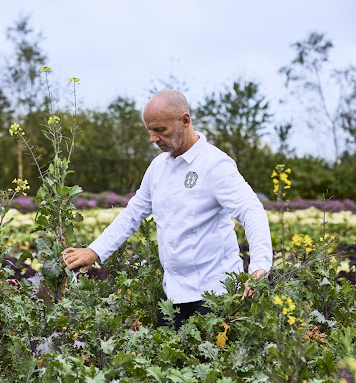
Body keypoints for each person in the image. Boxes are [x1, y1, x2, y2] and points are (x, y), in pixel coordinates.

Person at [60, 89, 273, 329]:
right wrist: (94, 250)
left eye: (160, 130)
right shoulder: (157, 167)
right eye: (150, 130)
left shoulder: (216, 165)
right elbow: (132, 214)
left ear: (185, 120)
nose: (153, 138)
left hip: (215, 295)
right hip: (172, 296)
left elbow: (251, 210)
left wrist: (259, 267)